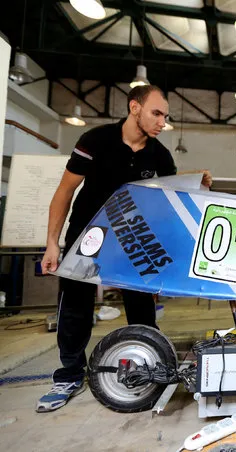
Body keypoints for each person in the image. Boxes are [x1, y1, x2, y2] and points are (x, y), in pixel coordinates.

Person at [36, 85, 212, 412]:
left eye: (166, 116)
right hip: (87, 232)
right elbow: (64, 192)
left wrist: (194, 180)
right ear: (135, 108)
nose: (162, 121)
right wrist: (52, 244)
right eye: (156, 113)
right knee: (75, 304)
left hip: (132, 236)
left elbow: (168, 195)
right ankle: (69, 375)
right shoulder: (95, 140)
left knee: (142, 306)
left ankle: (148, 366)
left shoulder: (159, 154)